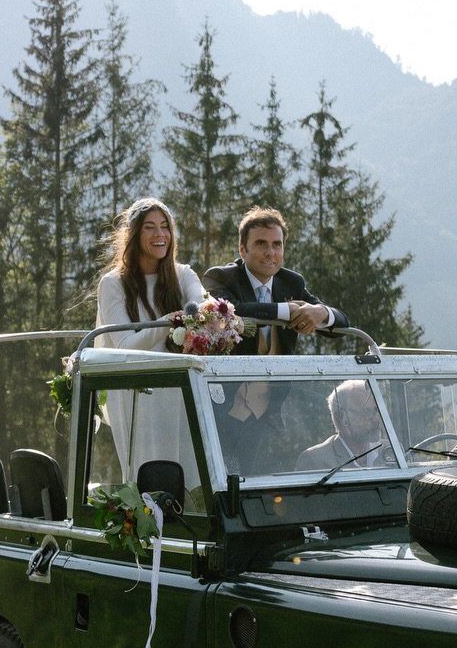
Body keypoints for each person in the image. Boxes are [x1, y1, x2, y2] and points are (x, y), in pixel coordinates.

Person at [94, 197, 204, 483]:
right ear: (134, 234)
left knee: (192, 476)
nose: (160, 234)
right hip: (136, 395)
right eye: (150, 227)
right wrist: (167, 323)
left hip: (181, 391)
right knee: (149, 477)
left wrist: (201, 313)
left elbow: (202, 305)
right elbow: (125, 346)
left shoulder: (183, 274)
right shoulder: (113, 283)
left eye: (165, 226)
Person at [203, 207, 346, 357]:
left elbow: (342, 325)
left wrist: (323, 312)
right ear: (243, 249)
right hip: (232, 371)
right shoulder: (220, 277)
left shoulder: (292, 282)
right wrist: (285, 311)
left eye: (277, 244)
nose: (270, 253)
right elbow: (229, 313)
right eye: (261, 243)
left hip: (283, 372)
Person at [294, 379, 391, 474]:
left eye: (376, 410)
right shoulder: (315, 460)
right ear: (339, 417)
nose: (376, 419)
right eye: (366, 411)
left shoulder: (390, 450)